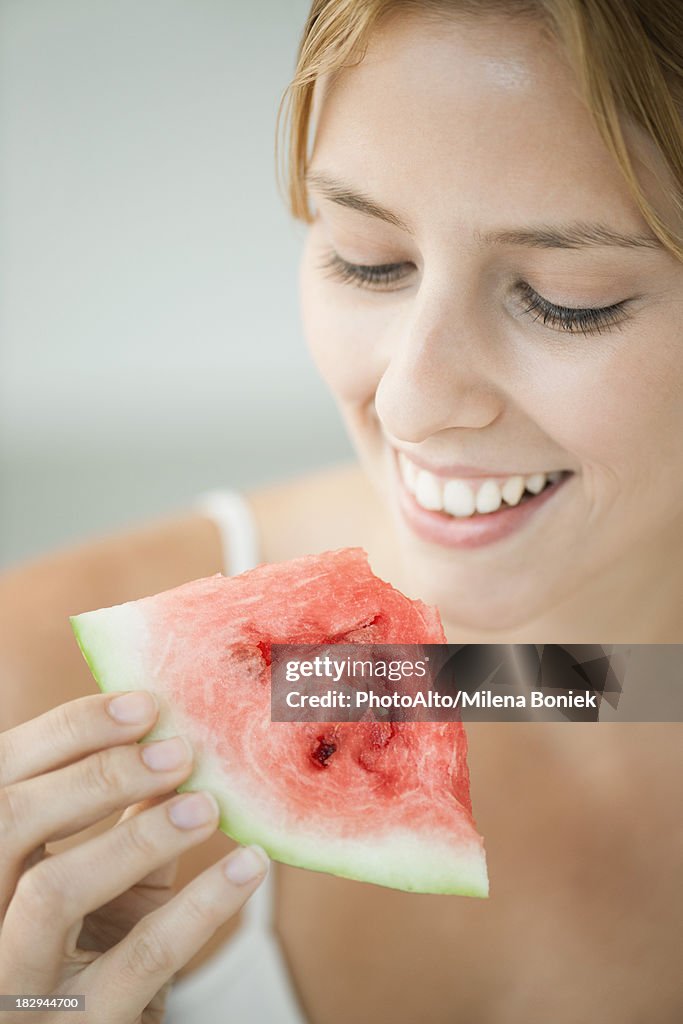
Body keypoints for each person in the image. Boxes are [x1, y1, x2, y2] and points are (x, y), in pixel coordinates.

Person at [1, 1, 682, 1021]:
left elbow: (617, 687)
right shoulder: (30, 673)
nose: (409, 398)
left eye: (564, 294)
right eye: (367, 257)